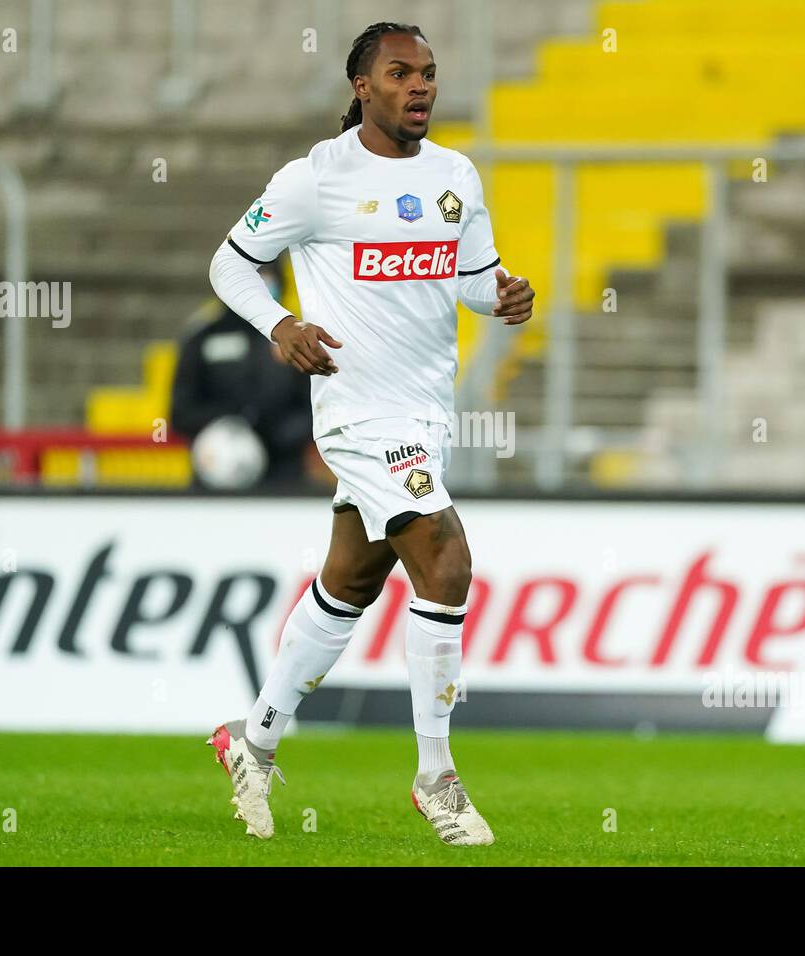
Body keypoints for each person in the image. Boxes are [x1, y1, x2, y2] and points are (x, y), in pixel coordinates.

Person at [205, 21, 534, 846]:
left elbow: (467, 281)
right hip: (356, 412)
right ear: (362, 86)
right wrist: (280, 323)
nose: (420, 86)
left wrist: (502, 295)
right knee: (448, 561)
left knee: (350, 583)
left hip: (427, 410)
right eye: (400, 73)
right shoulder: (315, 180)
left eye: (427, 73)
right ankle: (437, 778)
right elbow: (229, 262)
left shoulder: (455, 176)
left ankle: (253, 740)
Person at [169, 274, 316, 489]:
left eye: (269, 272)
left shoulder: (296, 340)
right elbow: (179, 413)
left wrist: (273, 434)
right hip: (214, 477)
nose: (263, 280)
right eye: (253, 272)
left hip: (283, 478)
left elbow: (316, 409)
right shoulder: (202, 338)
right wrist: (233, 420)